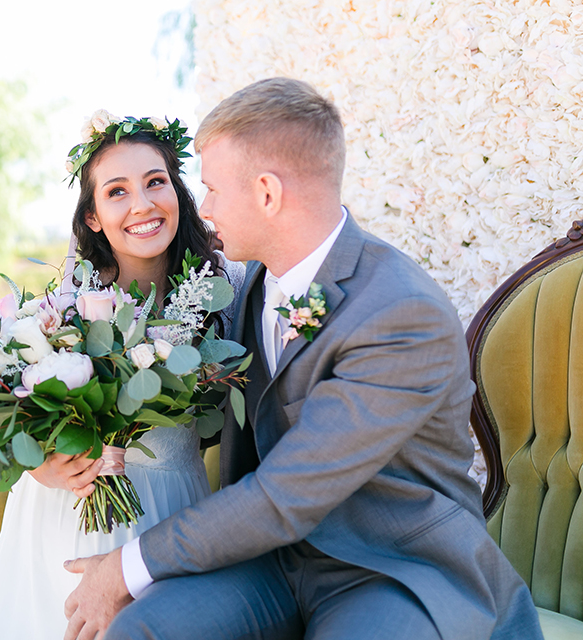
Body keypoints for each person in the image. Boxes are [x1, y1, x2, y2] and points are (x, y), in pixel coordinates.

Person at [63, 78, 543, 640]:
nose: (205, 208)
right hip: (270, 560)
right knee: (144, 630)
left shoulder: (398, 312)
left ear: (266, 193)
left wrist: (124, 567)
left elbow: (288, 491)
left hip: (389, 569)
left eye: (214, 189)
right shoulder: (248, 286)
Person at [0, 112, 245, 639]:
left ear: (178, 191)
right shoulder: (62, 305)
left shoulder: (228, 286)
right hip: (66, 505)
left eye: (156, 182)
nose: (143, 204)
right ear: (95, 218)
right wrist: (36, 463)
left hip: (171, 510)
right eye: (117, 191)